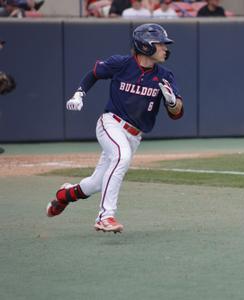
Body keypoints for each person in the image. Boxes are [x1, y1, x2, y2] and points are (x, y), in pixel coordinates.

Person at [46, 23, 184, 233]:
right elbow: (94, 73)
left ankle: (64, 195)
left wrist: (173, 103)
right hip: (111, 123)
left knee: (96, 184)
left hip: (135, 136)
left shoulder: (165, 76)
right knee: (121, 156)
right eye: (161, 44)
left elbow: (177, 114)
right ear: (145, 46)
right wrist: (79, 94)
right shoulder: (121, 64)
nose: (166, 48)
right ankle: (105, 216)